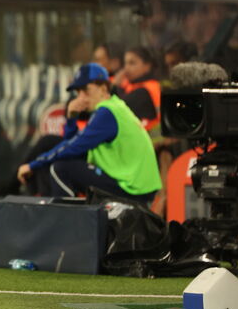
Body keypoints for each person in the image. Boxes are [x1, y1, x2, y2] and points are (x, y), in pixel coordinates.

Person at [16, 63, 161, 204]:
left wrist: (33, 165)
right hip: (130, 182)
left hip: (132, 189)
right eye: (78, 92)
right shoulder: (112, 106)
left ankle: (64, 225)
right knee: (50, 145)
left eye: (86, 90)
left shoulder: (107, 112)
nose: (81, 97)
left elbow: (73, 147)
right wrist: (72, 118)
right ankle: (42, 208)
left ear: (103, 88)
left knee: (60, 169)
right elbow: (69, 144)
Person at [118, 46, 161, 133]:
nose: (126, 68)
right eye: (125, 63)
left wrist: (115, 86)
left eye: (132, 63)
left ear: (147, 66)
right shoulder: (132, 86)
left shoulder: (144, 91)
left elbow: (118, 108)